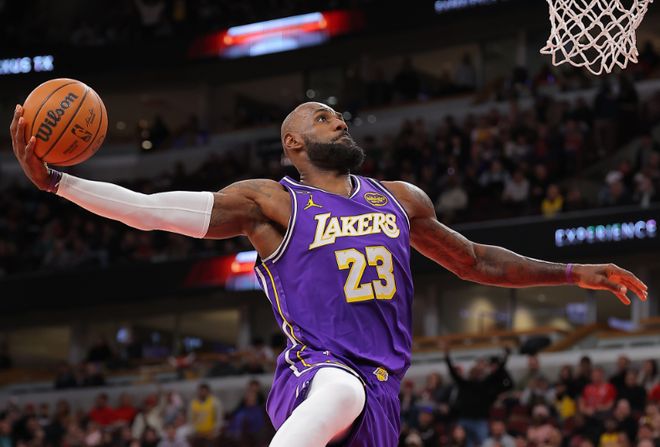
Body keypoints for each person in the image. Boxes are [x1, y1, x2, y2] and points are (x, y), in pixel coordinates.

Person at [9, 102, 649, 447]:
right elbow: (152, 211)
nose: (338, 120)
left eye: (337, 115)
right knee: (343, 389)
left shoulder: (400, 198)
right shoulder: (272, 201)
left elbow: (477, 261)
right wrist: (59, 182)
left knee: (359, 394)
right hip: (314, 372)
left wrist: (572, 271)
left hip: (385, 394)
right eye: (320, 117)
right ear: (293, 144)